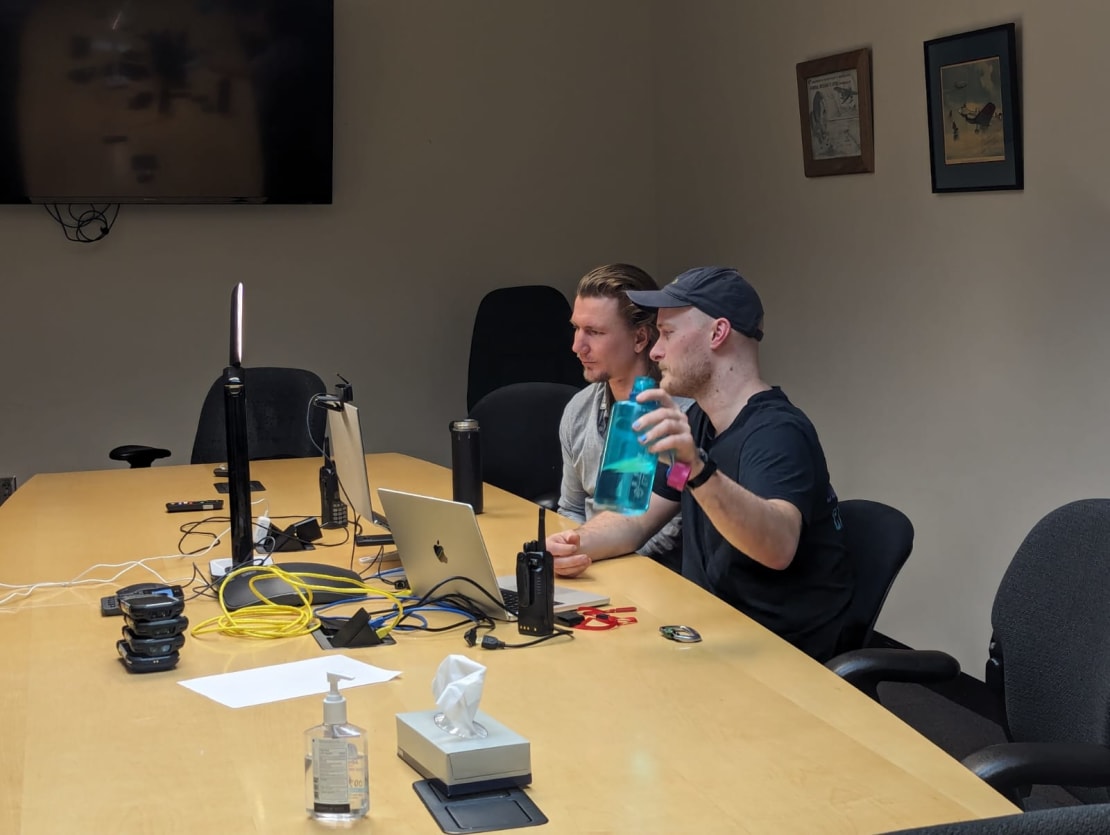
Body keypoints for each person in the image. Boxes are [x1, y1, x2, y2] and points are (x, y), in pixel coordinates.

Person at [547, 266, 853, 660]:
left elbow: (778, 546)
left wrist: (699, 470)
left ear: (718, 333)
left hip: (779, 657)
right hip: (710, 629)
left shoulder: (777, 433)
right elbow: (638, 518)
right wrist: (573, 543)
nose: (655, 351)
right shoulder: (699, 424)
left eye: (669, 334)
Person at [558, 264, 690, 572]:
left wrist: (597, 562)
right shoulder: (578, 410)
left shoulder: (684, 419)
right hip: (588, 568)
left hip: (653, 575)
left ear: (641, 338)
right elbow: (571, 509)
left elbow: (671, 532)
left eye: (594, 332)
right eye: (576, 329)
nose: (577, 346)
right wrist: (572, 556)